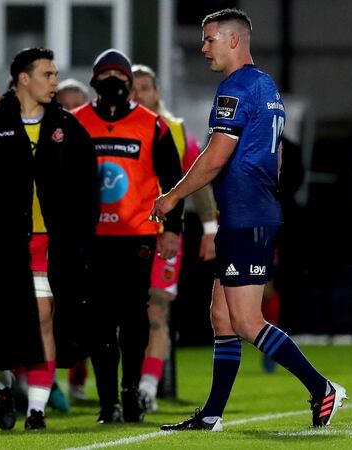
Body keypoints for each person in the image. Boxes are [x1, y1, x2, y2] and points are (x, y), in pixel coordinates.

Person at [152, 9, 346, 431]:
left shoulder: (237, 87)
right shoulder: (265, 85)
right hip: (247, 212)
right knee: (222, 317)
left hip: (247, 216)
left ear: (234, 40)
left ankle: (322, 389)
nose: (204, 48)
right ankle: (211, 415)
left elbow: (215, 156)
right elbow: (277, 157)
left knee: (245, 320)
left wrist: (173, 197)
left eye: (210, 39)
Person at [0, 48, 99, 431]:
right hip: (1, 247)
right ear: (23, 78)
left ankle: (36, 410)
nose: (55, 81)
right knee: (0, 328)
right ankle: (4, 387)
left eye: (55, 74)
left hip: (49, 244)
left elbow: (88, 188)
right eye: (47, 74)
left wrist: (80, 238)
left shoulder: (67, 127)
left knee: (44, 317)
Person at [72, 49, 184, 424]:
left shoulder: (152, 125)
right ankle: (108, 401)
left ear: (130, 84)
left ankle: (131, 390)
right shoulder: (77, 122)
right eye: (106, 76)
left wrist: (173, 229)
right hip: (92, 237)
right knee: (99, 320)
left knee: (134, 316)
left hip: (136, 235)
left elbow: (174, 182)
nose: (113, 83)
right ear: (94, 81)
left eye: (120, 77)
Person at [130, 63, 218, 412]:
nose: (138, 94)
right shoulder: (113, 130)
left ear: (157, 92)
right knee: (121, 313)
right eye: (132, 87)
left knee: (157, 308)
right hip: (122, 235)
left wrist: (210, 228)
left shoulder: (178, 131)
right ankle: (119, 384)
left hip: (165, 235)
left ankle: (147, 389)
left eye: (144, 87)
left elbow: (200, 182)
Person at [54, 77, 92, 403]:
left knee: (87, 310)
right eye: (64, 106)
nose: (70, 112)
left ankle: (78, 380)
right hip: (52, 235)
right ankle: (44, 381)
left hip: (89, 235)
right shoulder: (46, 140)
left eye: (75, 106)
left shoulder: (93, 139)